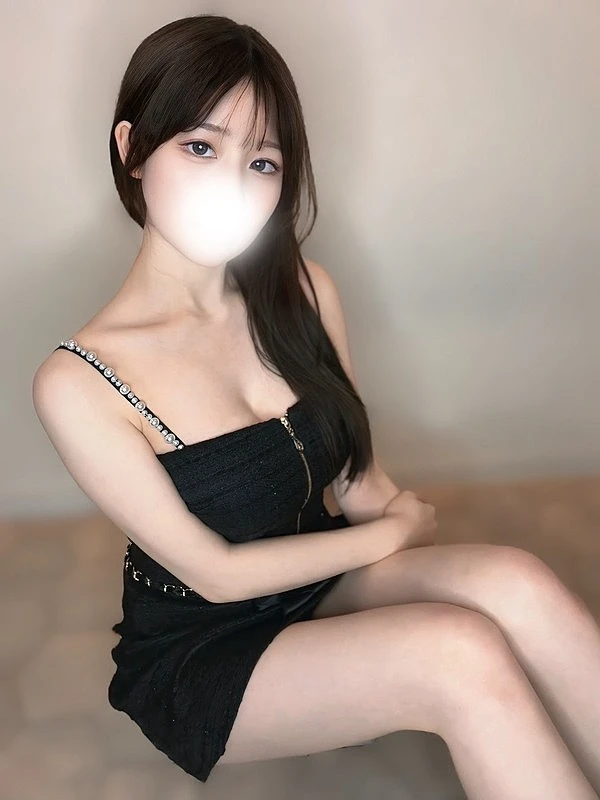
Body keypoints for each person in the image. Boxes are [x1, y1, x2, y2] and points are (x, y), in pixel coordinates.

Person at [32, 14, 600, 798]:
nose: (233, 184)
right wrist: (391, 537)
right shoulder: (79, 381)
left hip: (315, 574)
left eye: (261, 161)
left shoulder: (303, 292)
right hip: (204, 644)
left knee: (516, 581)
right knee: (457, 652)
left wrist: (394, 521)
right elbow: (216, 575)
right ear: (132, 150)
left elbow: (358, 482)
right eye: (200, 147)